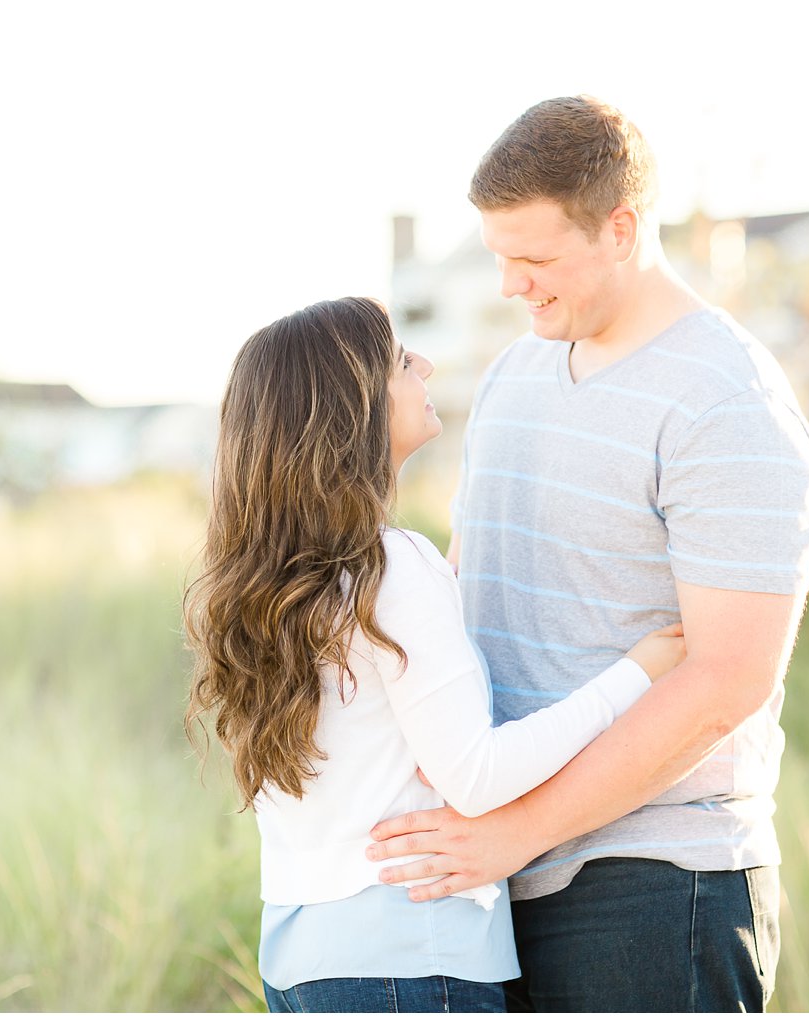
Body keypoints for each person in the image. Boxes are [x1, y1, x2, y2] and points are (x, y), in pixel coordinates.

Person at [365, 96, 809, 1012]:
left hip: (654, 885)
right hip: (501, 872)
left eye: (535, 259)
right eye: (501, 257)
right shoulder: (514, 374)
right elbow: (471, 590)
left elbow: (728, 679)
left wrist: (519, 832)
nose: (511, 285)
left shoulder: (724, 403)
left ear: (621, 229)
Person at [184, 296, 689, 1014]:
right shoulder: (390, 568)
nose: (423, 366)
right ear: (350, 409)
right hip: (409, 963)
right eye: (398, 359)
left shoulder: (277, 588)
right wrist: (637, 674)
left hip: (301, 967)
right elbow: (476, 777)